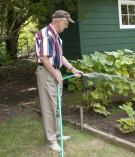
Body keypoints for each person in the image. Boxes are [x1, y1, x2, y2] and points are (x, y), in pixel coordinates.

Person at [35, 10, 83, 152]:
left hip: (54, 71)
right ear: (60, 20)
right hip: (47, 72)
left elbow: (60, 57)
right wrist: (56, 74)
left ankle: (57, 134)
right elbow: (43, 58)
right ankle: (51, 141)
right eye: (67, 23)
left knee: (56, 106)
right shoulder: (46, 34)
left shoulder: (56, 37)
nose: (67, 26)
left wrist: (73, 69)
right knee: (49, 107)